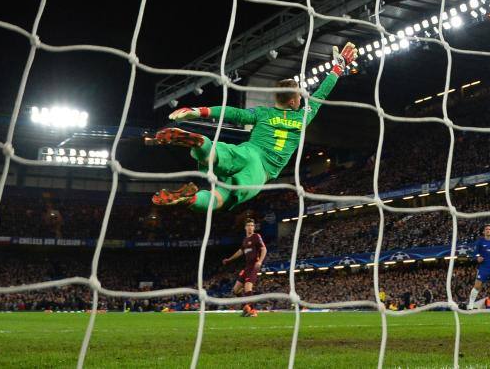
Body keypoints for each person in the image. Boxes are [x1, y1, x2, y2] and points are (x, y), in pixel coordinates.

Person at [150, 43, 358, 211]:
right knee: (222, 197)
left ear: (277, 98)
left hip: (249, 151)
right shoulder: (304, 116)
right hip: (262, 170)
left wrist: (200, 111)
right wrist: (337, 68)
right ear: (295, 102)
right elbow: (321, 94)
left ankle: (201, 143)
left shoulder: (263, 114)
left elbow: (234, 113)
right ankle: (190, 200)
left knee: (214, 154)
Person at [222, 219, 266, 317]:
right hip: (247, 267)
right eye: (248, 225)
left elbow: (264, 249)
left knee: (247, 288)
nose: (250, 227)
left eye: (252, 225)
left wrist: (260, 261)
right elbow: (240, 251)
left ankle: (253, 310)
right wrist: (229, 259)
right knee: (235, 290)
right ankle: (246, 307)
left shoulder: (256, 236)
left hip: (254, 266)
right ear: (245, 227)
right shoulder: (245, 240)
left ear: (254, 227)